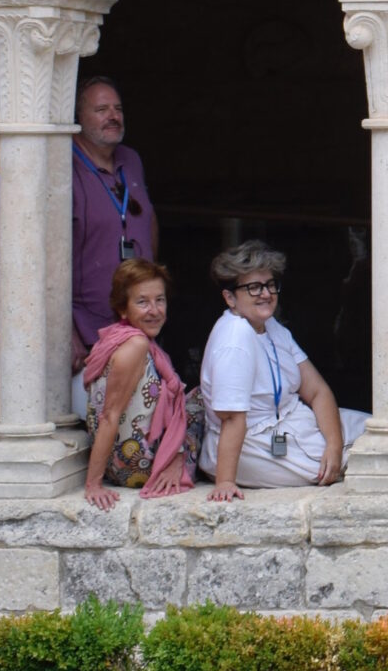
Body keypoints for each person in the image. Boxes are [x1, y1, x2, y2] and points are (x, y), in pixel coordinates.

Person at [200, 241, 366, 497]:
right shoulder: (235, 337)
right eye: (254, 287)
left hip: (294, 421)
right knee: (375, 458)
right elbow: (231, 418)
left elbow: (318, 391)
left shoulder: (272, 327)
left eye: (270, 284)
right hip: (253, 443)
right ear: (230, 297)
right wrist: (225, 482)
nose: (266, 294)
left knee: (381, 432)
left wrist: (334, 444)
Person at [82, 258, 205, 507]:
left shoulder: (119, 338)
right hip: (137, 466)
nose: (155, 310)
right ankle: (179, 460)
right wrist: (93, 484)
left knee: (193, 399)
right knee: (204, 397)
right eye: (142, 302)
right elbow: (109, 416)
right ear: (123, 309)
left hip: (127, 462)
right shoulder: (135, 346)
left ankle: (175, 453)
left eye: (160, 300)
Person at [72, 77, 157, 363]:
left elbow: (148, 219)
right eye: (101, 110)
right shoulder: (62, 164)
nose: (113, 116)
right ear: (78, 117)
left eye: (117, 109)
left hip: (139, 320)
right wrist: (67, 332)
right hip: (88, 326)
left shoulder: (131, 159)